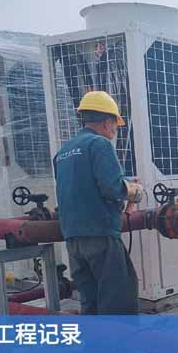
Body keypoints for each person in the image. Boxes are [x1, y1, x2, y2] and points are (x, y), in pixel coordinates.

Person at [54, 91, 140, 314]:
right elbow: (112, 188)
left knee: (90, 301)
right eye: (115, 125)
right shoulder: (99, 144)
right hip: (101, 236)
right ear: (107, 121)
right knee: (118, 300)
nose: (115, 130)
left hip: (73, 239)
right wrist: (134, 190)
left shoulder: (63, 152)